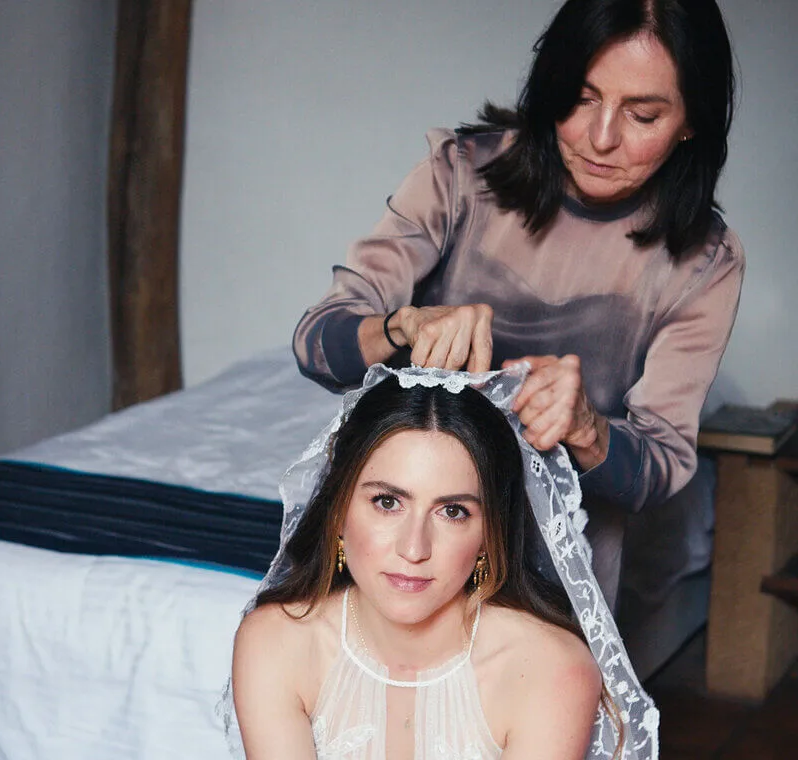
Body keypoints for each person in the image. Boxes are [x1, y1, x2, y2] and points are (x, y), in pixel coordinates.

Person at [292, 0, 743, 615]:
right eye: (582, 99)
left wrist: (585, 427)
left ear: (691, 123)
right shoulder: (461, 175)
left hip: (553, 583)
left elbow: (661, 466)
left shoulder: (701, 260)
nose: (602, 137)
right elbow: (317, 344)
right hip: (404, 564)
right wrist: (405, 325)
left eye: (642, 115)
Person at [229, 365, 650, 760]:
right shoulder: (276, 641)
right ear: (338, 511)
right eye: (387, 502)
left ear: (489, 536)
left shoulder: (548, 669)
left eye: (452, 512)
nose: (414, 549)